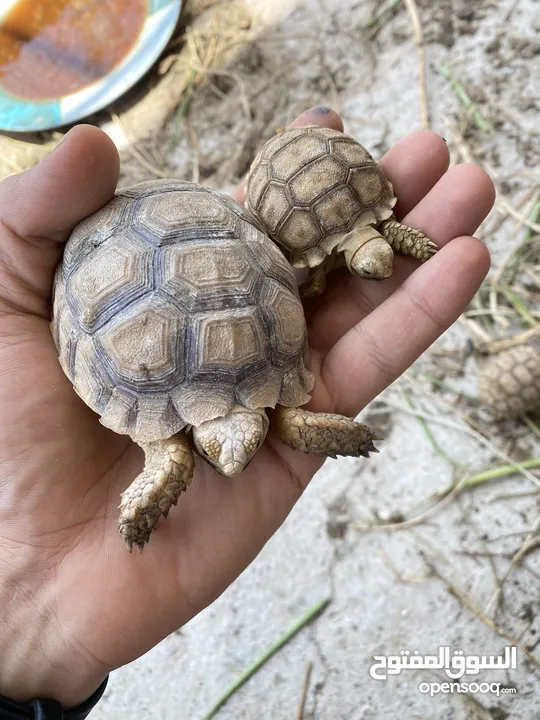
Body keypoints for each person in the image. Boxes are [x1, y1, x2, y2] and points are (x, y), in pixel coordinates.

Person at [0, 107, 494, 718]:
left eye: (244, 438)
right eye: (230, 444)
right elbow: (278, 428)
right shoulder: (177, 448)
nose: (234, 464)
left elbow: (288, 421)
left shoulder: (247, 425)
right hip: (133, 261)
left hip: (220, 265)